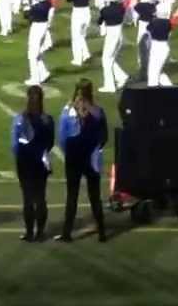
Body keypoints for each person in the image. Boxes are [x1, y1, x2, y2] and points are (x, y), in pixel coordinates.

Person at [56, 80, 107, 243]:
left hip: (73, 157)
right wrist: (95, 149)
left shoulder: (67, 111)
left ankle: (67, 233)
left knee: (72, 196)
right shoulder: (98, 112)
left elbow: (62, 137)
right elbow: (104, 137)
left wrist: (69, 152)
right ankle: (102, 232)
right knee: (95, 196)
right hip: (91, 158)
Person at [12, 85, 54, 242]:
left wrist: (21, 155)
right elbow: (50, 142)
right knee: (40, 197)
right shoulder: (48, 120)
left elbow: (15, 144)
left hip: (24, 162)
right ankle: (40, 233)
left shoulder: (20, 119)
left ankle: (29, 233)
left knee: (28, 198)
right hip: (41, 162)